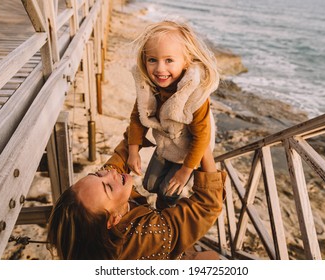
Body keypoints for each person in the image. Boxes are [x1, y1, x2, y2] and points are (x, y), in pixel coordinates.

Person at [46, 144, 225, 260]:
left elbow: (113, 166)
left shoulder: (92, 227)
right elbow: (206, 206)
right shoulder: (148, 235)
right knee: (212, 258)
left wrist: (135, 135)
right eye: (108, 187)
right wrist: (203, 145)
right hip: (163, 253)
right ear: (114, 219)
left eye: (96, 174)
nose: (110, 174)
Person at [126, 20, 220, 209]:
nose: (160, 69)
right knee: (149, 185)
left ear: (186, 61)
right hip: (165, 146)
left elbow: (202, 136)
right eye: (152, 60)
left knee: (169, 193)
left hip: (187, 152)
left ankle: (164, 214)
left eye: (169, 60)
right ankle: (157, 203)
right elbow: (138, 117)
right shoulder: (149, 86)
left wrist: (186, 171)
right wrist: (133, 151)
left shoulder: (195, 95)